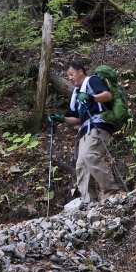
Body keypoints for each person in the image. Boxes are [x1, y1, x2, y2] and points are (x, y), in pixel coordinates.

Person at [49, 61, 123, 204]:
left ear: (81, 71)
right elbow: (77, 119)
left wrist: (91, 97)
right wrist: (61, 119)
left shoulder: (92, 81)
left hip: (99, 125)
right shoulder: (76, 93)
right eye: (68, 76)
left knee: (90, 155)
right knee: (81, 165)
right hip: (85, 130)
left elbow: (107, 95)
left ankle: (112, 191)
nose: (70, 78)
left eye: (71, 74)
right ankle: (88, 200)